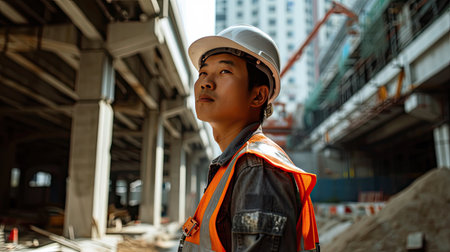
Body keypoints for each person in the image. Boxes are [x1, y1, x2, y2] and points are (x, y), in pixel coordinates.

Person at [179, 25, 319, 252]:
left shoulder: (258, 168)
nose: (206, 82)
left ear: (258, 95)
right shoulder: (235, 165)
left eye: (224, 72)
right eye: (203, 72)